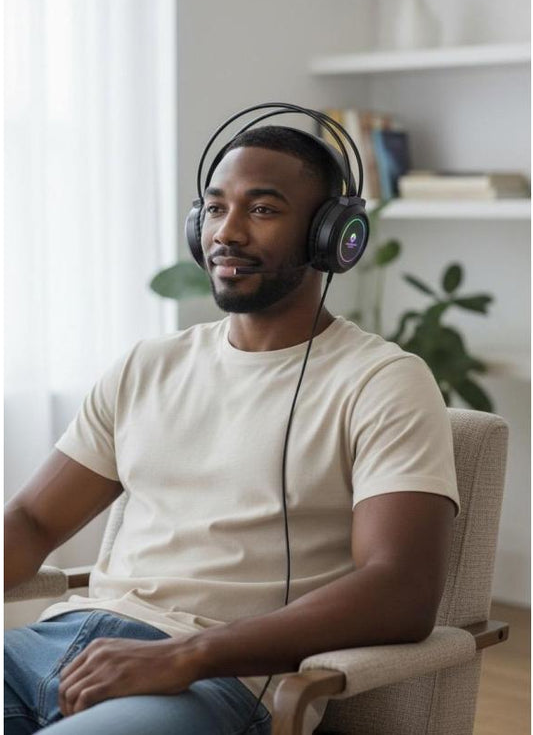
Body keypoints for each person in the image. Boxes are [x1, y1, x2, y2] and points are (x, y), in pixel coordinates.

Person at [4, 121, 460, 735]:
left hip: (211, 682)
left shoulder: (382, 381)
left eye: (263, 209)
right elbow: (33, 521)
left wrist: (186, 655)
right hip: (52, 648)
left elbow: (401, 588)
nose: (227, 232)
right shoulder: (147, 364)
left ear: (330, 236)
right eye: (215, 208)